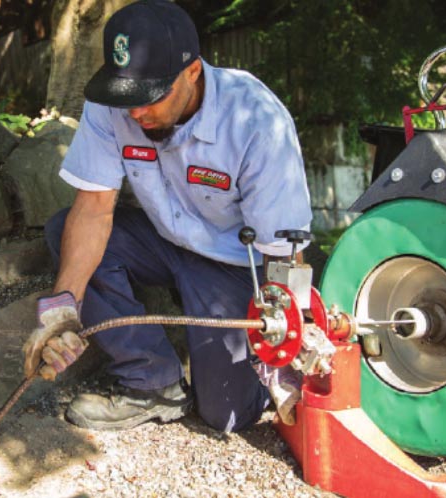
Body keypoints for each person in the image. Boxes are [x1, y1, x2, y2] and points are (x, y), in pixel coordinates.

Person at [22, 0, 312, 433]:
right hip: (161, 243)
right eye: (126, 96)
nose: (135, 112)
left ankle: (239, 375)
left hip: (235, 267)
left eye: (149, 96)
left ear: (192, 72)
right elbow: (94, 208)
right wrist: (61, 311)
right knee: (65, 226)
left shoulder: (255, 118)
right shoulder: (111, 104)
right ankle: (152, 380)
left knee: (226, 416)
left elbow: (283, 255)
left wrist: (280, 346)